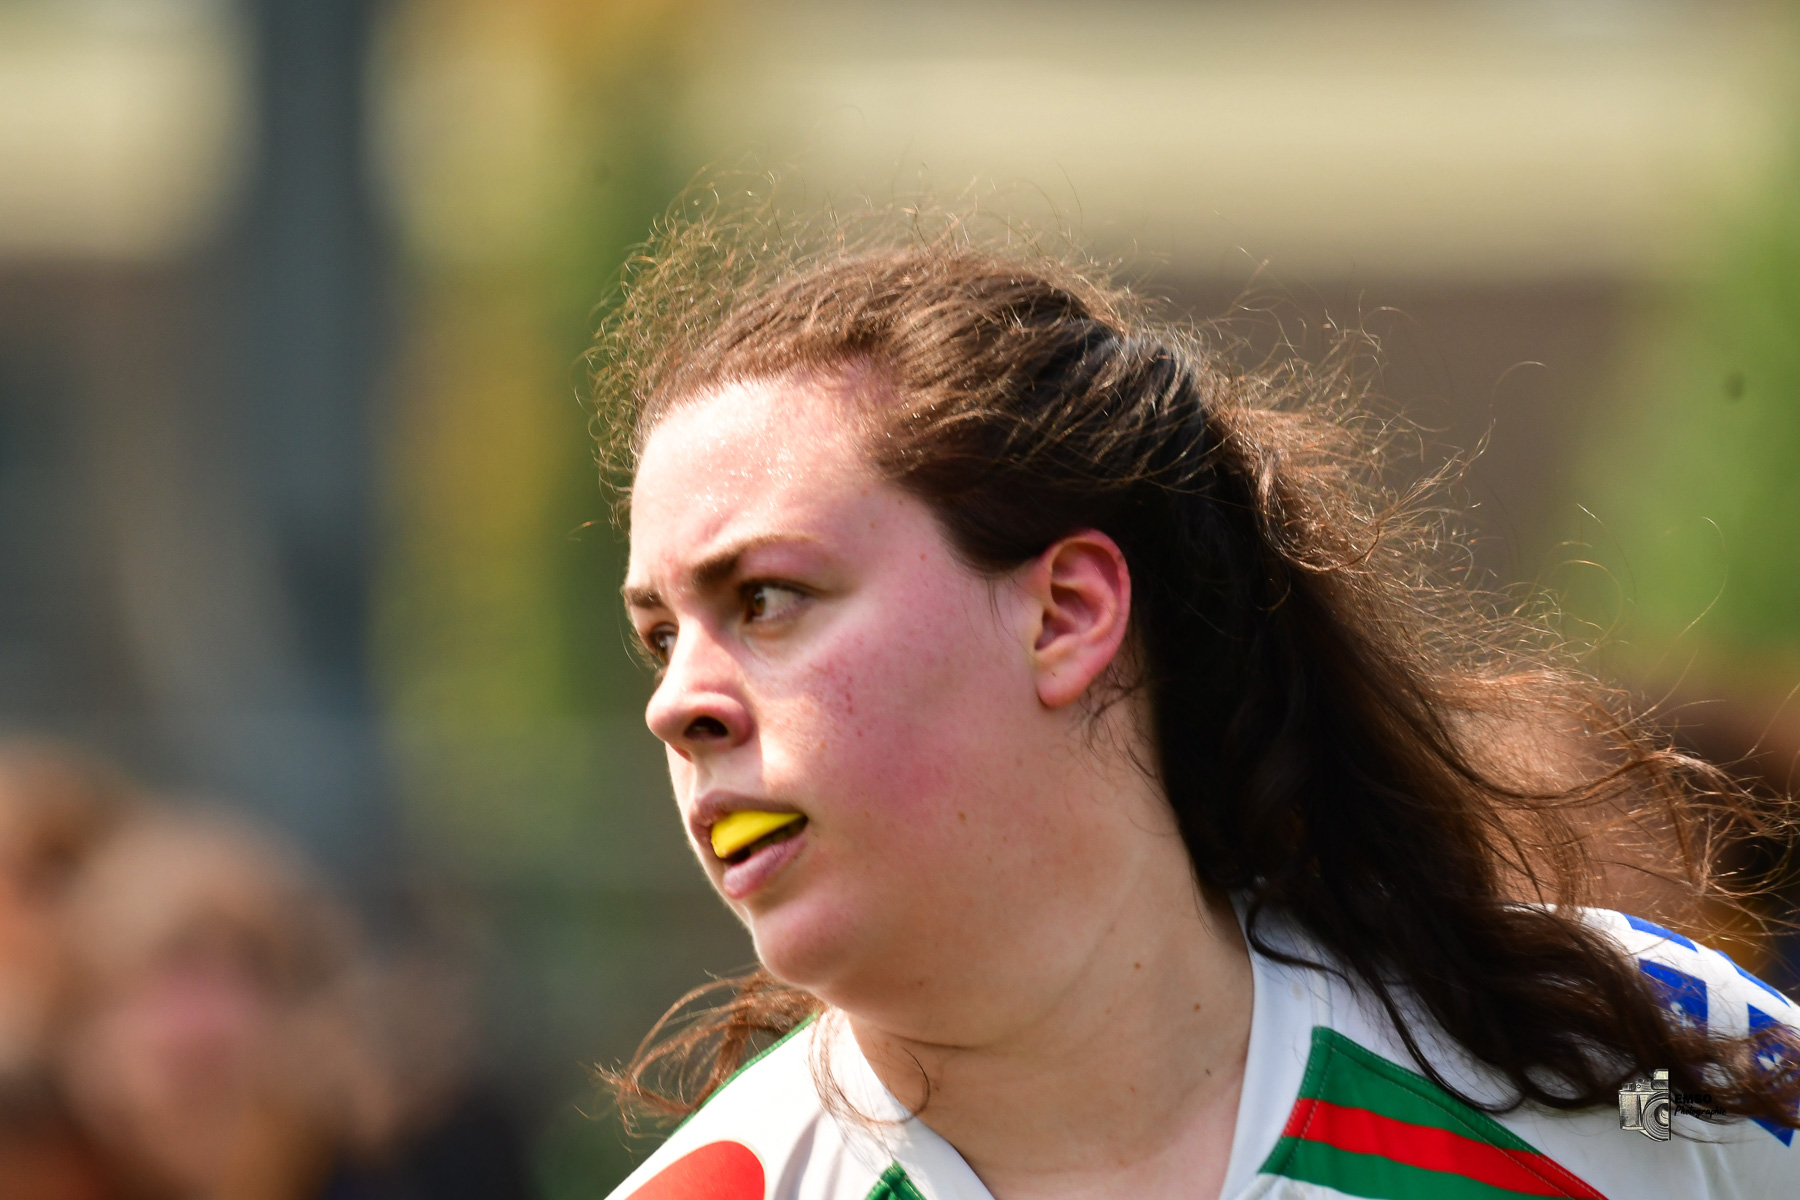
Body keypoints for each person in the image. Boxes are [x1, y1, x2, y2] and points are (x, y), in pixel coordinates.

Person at [592, 198, 1800, 1200]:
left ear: (1066, 613)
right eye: (660, 636)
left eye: (766, 598)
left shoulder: (1651, 1069)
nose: (677, 703)